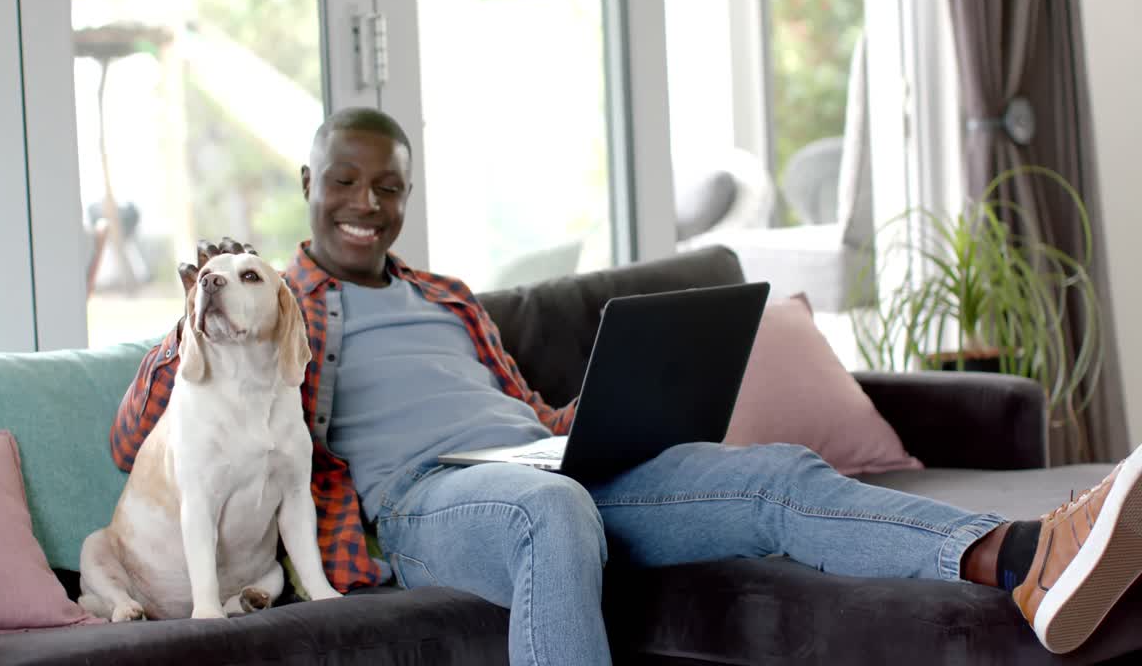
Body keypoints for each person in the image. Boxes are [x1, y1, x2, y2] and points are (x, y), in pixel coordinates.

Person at [110, 107, 1142, 665]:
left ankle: (1026, 555)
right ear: (307, 184)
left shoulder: (447, 297)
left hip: (539, 465)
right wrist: (193, 309)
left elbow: (522, 411)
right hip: (424, 507)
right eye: (342, 180)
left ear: (406, 195)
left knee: (771, 474)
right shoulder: (267, 303)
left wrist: (602, 415)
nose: (364, 203)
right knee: (547, 508)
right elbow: (141, 440)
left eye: (386, 185)